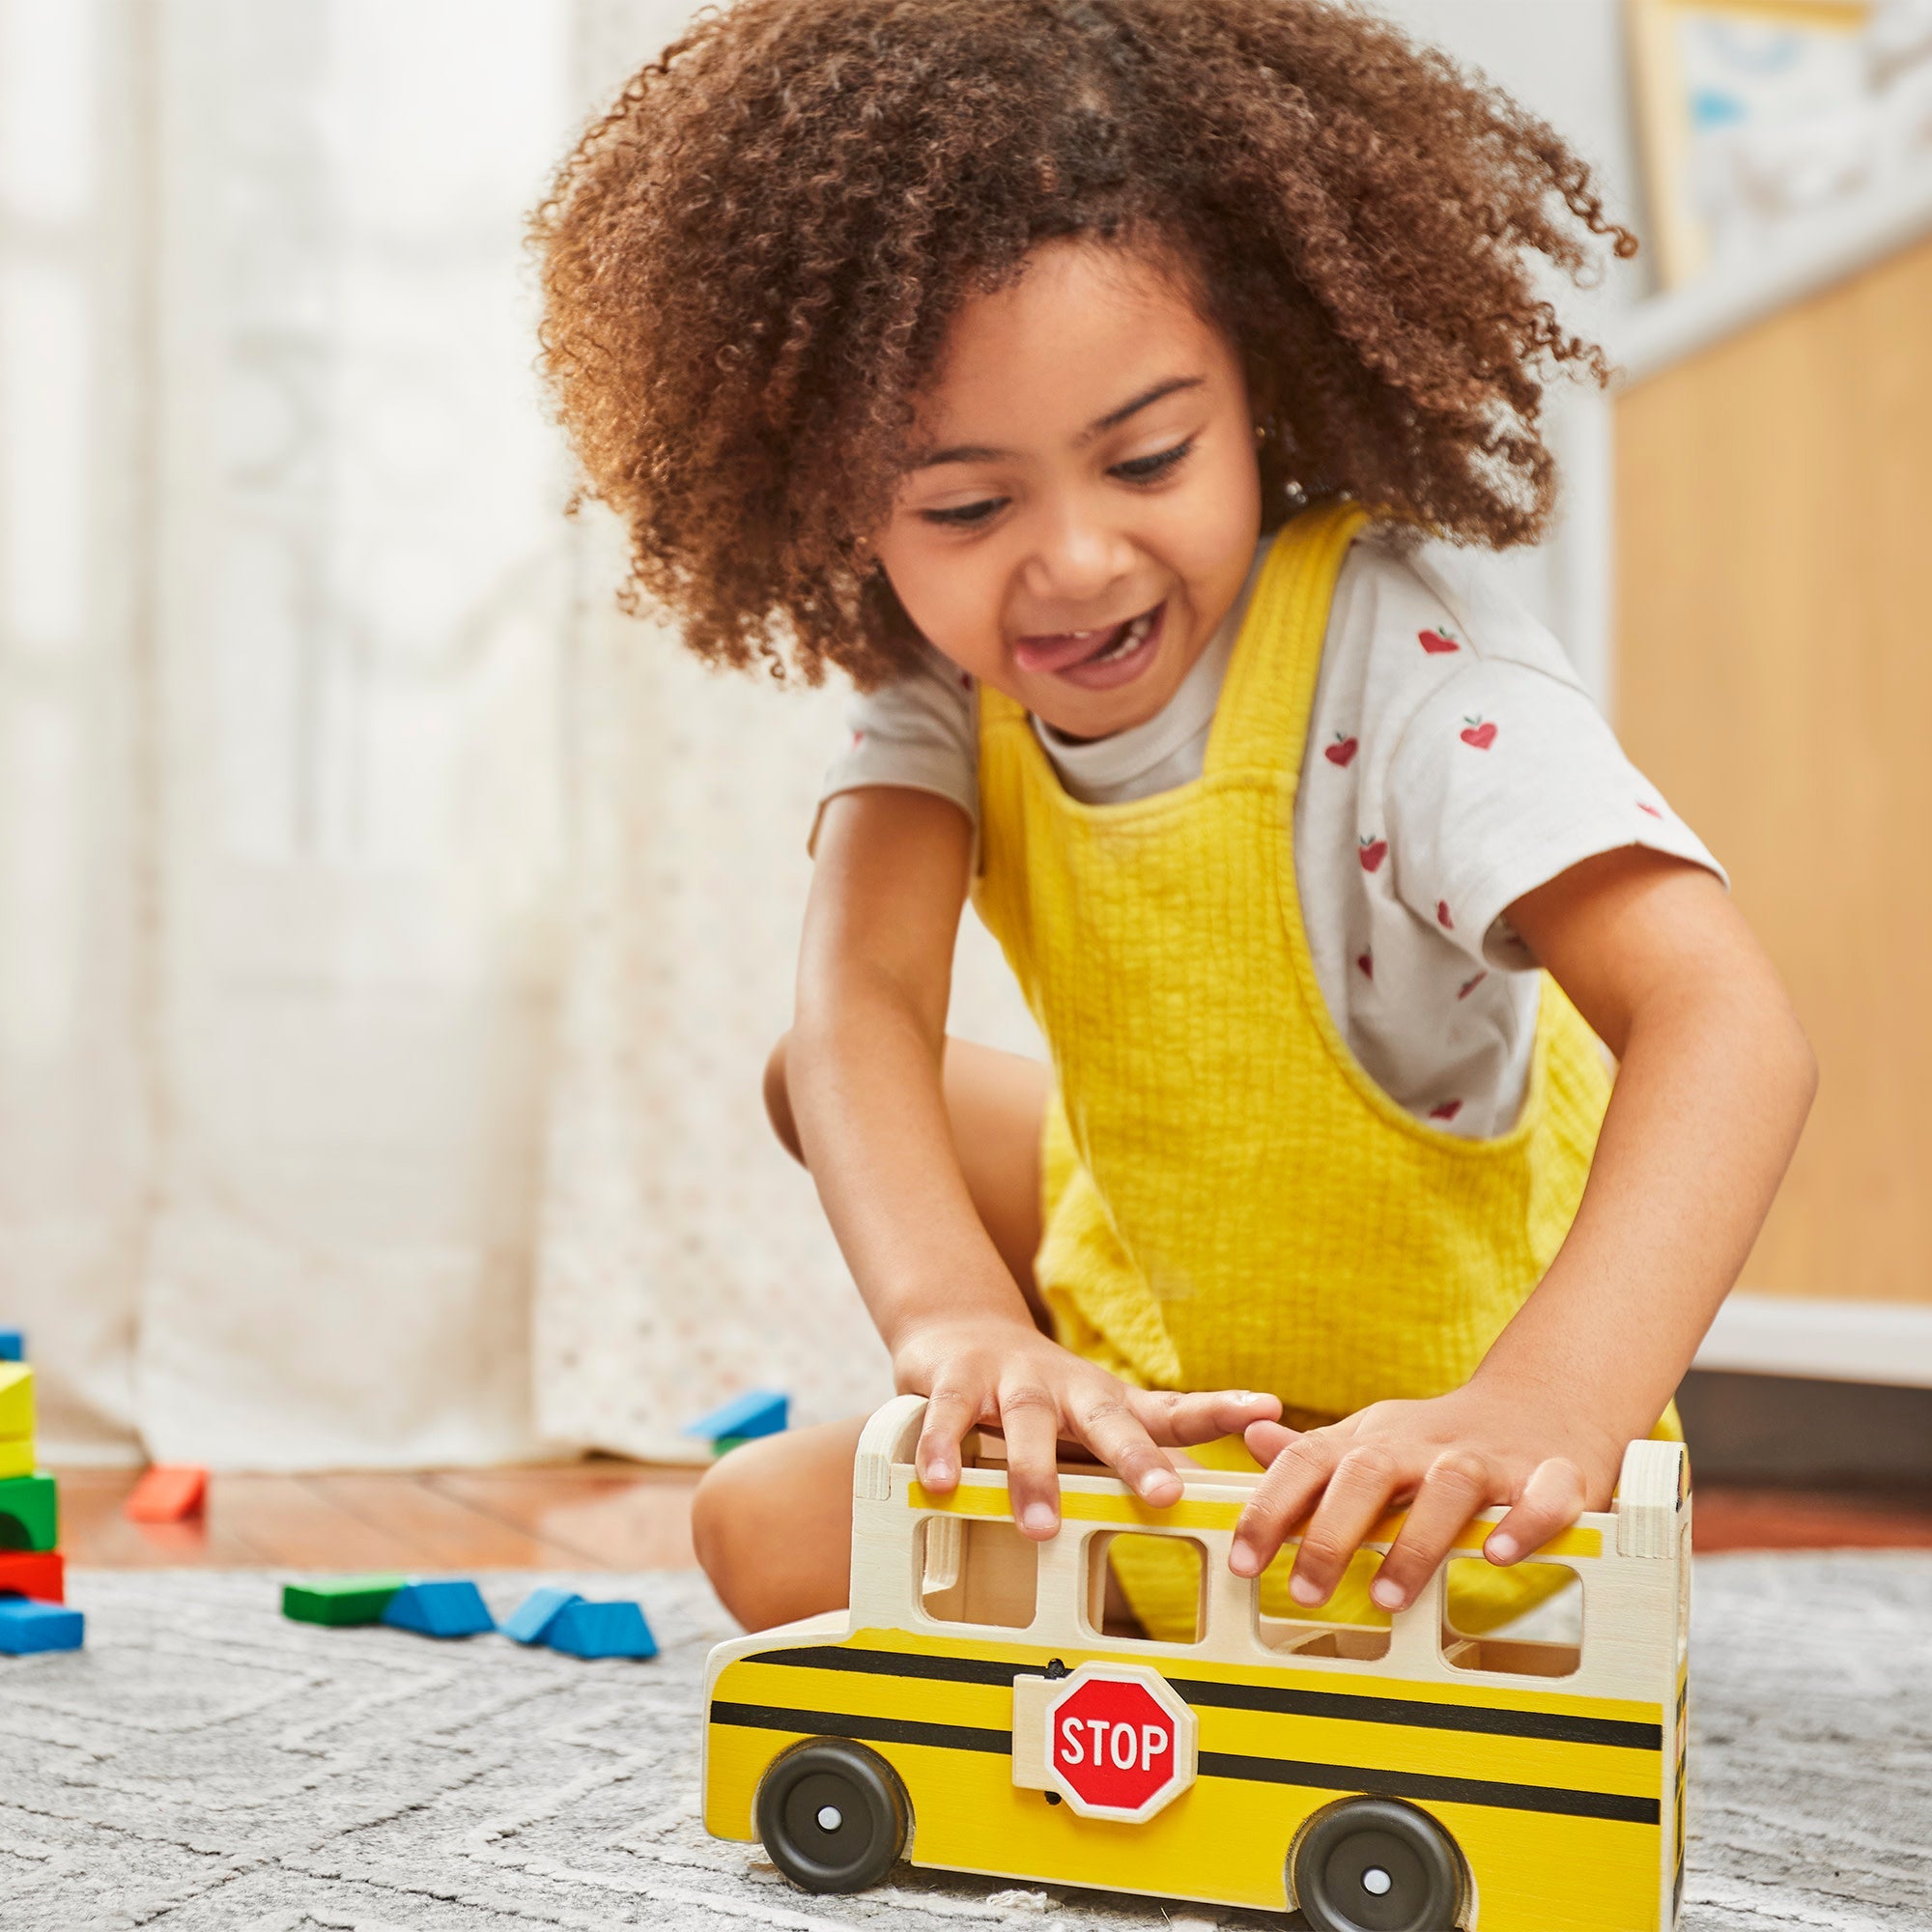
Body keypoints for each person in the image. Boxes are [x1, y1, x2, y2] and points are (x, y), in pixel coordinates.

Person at [532, 0, 1815, 1639]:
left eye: (1146, 459)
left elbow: (1732, 1025)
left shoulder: (1415, 667)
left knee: (1386, 1611)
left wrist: (1548, 1409)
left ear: (1259, 381)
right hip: (1160, 1317)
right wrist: (960, 1330)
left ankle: (1217, 1582)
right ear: (838, 497)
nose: (1071, 562)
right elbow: (857, 1008)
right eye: (968, 507)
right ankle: (1106, 1455)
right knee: (759, 1506)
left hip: (1422, 1412)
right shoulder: (938, 681)